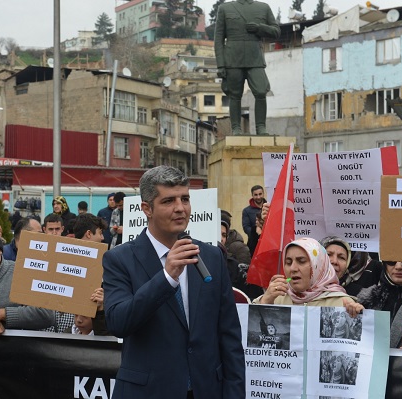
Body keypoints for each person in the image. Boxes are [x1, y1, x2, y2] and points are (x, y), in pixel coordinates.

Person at [103, 165, 245, 398]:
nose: (180, 208)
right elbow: (119, 322)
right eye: (168, 201)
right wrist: (167, 277)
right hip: (149, 392)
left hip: (206, 389)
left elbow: (229, 337)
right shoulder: (120, 259)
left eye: (185, 199)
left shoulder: (211, 256)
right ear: (147, 208)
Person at [214, 0, 280, 135]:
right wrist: (221, 64)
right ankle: (236, 127)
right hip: (233, 58)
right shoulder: (225, 8)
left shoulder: (263, 7)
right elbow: (218, 39)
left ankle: (261, 127)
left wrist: (259, 28)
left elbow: (276, 31)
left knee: (261, 91)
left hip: (255, 57)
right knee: (235, 95)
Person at [254, 237, 364, 317]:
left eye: (301, 261)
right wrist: (264, 302)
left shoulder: (340, 302)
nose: (293, 268)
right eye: (288, 262)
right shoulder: (277, 297)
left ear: (318, 266)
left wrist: (358, 315)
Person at [242, 185, 267, 256]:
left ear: (263, 194)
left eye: (260, 194)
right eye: (256, 195)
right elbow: (246, 227)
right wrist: (257, 233)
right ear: (252, 195)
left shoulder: (269, 207)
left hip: (268, 241)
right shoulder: (246, 211)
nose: (258, 197)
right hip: (254, 244)